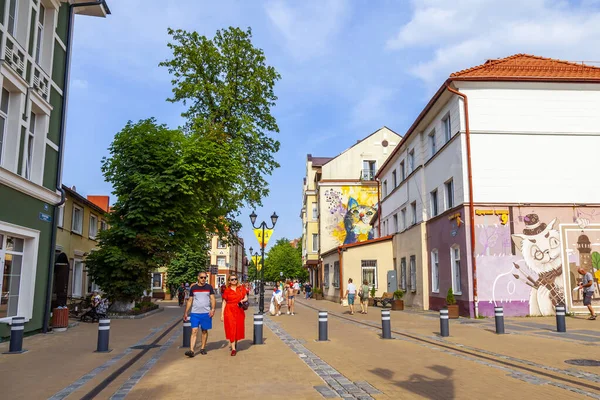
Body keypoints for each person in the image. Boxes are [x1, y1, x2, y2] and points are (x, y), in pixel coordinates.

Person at [183, 273, 216, 357]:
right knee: (194, 331)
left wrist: (212, 309)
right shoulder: (193, 288)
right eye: (201, 277)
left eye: (205, 277)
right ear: (198, 278)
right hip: (195, 313)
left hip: (206, 313)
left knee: (204, 330)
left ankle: (202, 348)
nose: (203, 279)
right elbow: (190, 300)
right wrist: (186, 312)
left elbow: (212, 299)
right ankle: (191, 350)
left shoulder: (209, 287)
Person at [221, 274, 247, 356]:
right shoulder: (227, 290)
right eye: (232, 279)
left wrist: (242, 300)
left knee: (237, 328)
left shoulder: (241, 288)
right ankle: (233, 349)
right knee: (231, 328)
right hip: (229, 310)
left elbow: (246, 297)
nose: (234, 281)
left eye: (235, 279)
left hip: (239, 310)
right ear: (229, 281)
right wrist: (222, 314)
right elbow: (224, 302)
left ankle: (235, 342)